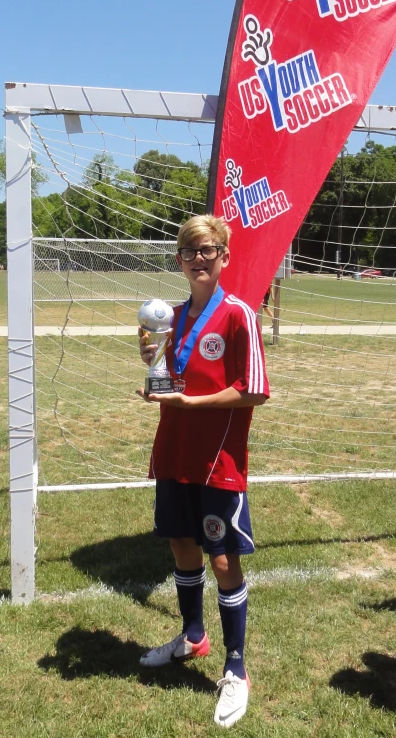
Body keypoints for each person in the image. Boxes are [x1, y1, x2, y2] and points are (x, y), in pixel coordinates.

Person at [136, 214, 269, 728]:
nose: (198, 259)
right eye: (189, 251)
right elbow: (168, 381)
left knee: (221, 560)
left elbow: (254, 389)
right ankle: (193, 636)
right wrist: (153, 372)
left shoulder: (239, 315)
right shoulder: (169, 316)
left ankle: (236, 669)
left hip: (218, 461)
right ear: (179, 260)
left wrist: (196, 405)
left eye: (208, 250)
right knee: (181, 546)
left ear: (224, 258)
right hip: (174, 452)